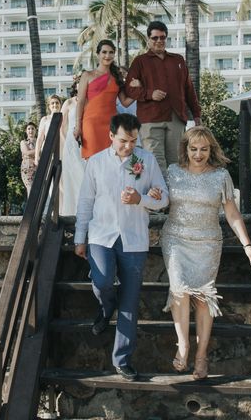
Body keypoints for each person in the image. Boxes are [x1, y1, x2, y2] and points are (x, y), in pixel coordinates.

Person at [149, 127, 251, 380]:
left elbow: (232, 213)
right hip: (175, 239)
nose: (198, 154)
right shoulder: (173, 173)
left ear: (211, 150)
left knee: (203, 298)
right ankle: (183, 345)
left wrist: (247, 245)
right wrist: (153, 194)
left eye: (204, 149)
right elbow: (161, 201)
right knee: (179, 287)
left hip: (208, 242)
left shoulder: (221, 176)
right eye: (193, 149)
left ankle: (201, 357)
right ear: (185, 149)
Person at [75, 113, 169, 381]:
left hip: (134, 238)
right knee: (103, 282)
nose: (129, 146)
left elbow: (162, 197)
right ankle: (106, 308)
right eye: (124, 141)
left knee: (130, 300)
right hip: (101, 235)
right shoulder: (95, 162)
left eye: (133, 141)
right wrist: (79, 238)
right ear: (111, 136)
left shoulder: (146, 160)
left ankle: (122, 359)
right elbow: (85, 202)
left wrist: (142, 199)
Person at [125, 21, 202, 175]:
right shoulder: (140, 62)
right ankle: (160, 198)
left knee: (177, 163)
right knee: (155, 162)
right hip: (150, 119)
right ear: (148, 39)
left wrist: (197, 115)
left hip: (176, 117)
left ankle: (174, 198)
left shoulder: (178, 60)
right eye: (155, 38)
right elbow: (129, 89)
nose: (159, 41)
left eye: (162, 37)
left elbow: (189, 89)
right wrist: (149, 94)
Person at [73, 40, 135, 159]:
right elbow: (80, 102)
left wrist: (139, 91)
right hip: (91, 124)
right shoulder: (87, 75)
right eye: (104, 52)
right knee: (92, 161)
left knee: (113, 159)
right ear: (98, 54)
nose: (107, 56)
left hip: (111, 125)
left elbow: (125, 102)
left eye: (111, 52)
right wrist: (78, 126)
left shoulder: (117, 76)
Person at [59, 76, 85, 216]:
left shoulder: (89, 101)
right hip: (70, 141)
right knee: (71, 176)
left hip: (86, 141)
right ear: (75, 86)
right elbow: (61, 126)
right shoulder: (68, 103)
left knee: (84, 174)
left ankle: (84, 209)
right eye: (79, 83)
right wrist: (65, 144)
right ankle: (71, 212)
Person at [35, 94, 63, 166]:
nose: (55, 105)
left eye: (57, 103)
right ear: (49, 106)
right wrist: (36, 156)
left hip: (62, 149)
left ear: (60, 104)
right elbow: (40, 139)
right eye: (52, 103)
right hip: (48, 149)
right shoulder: (45, 119)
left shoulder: (64, 118)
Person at [20, 122, 38, 196]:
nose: (31, 130)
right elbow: (26, 152)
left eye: (32, 129)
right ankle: (31, 207)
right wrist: (39, 149)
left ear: (35, 130)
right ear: (26, 131)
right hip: (27, 168)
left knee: (38, 190)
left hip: (38, 167)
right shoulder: (23, 142)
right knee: (30, 190)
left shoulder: (39, 141)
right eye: (29, 129)